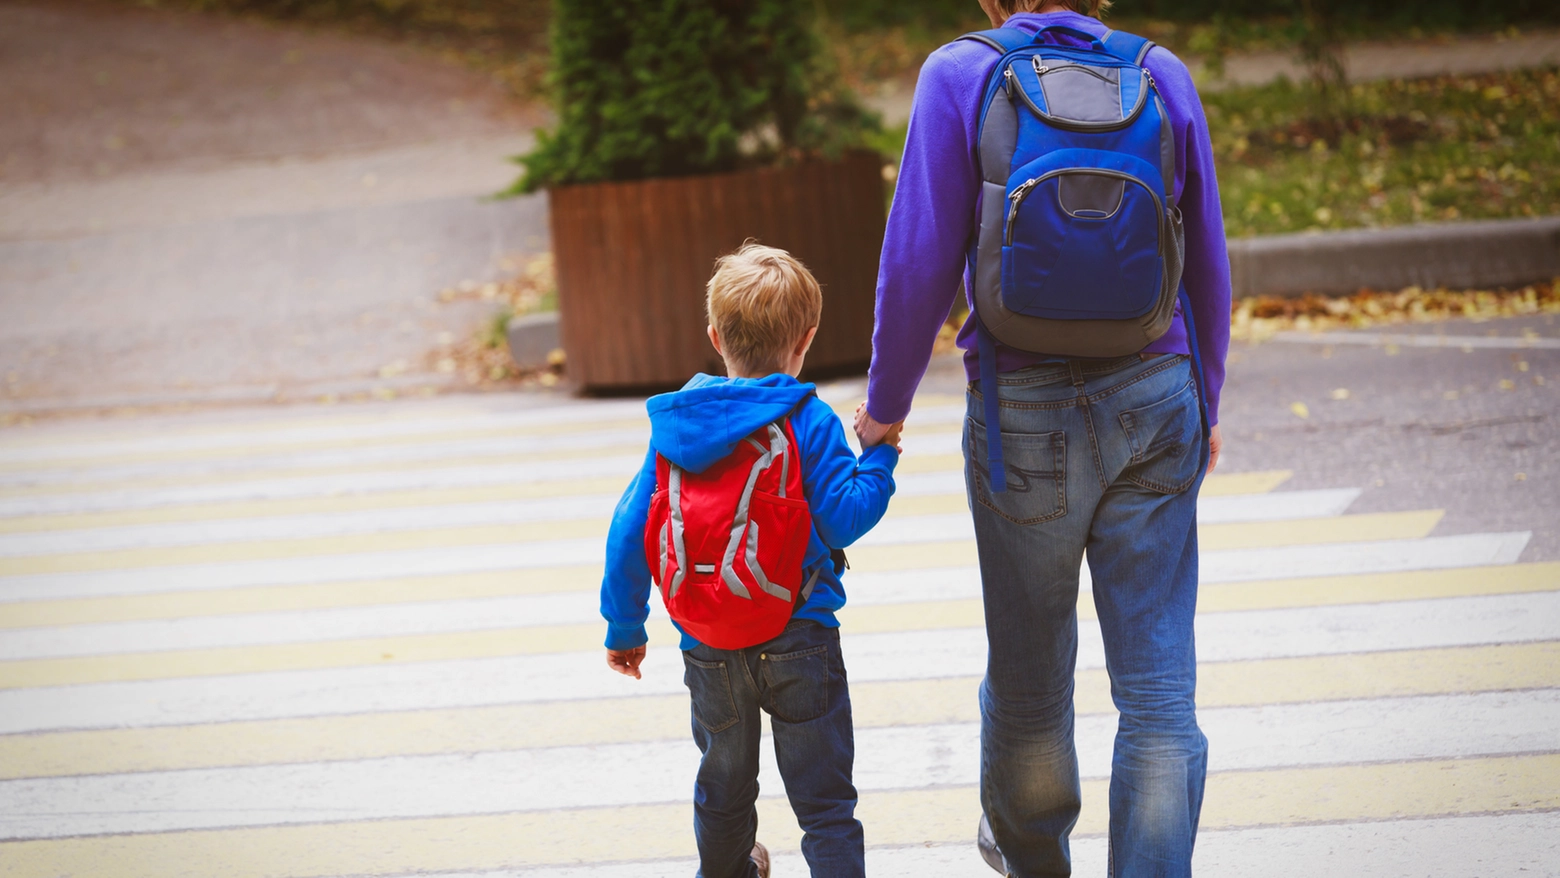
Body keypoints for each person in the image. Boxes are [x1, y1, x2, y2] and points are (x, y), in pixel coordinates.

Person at [853, 0, 1232, 875]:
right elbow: (1205, 251)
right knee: (1159, 692)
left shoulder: (961, 73)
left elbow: (919, 255)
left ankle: (1032, 860)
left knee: (1028, 680)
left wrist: (886, 404)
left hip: (1020, 404)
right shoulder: (1159, 73)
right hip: (1155, 388)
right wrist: (1205, 399)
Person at [601, 243, 903, 878]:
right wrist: (879, 453)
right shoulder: (807, 419)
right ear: (806, 341)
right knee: (825, 803)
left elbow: (630, 527)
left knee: (724, 789)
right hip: (800, 634)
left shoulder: (679, 424)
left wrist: (625, 628)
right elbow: (848, 514)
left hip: (708, 641)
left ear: (714, 336)